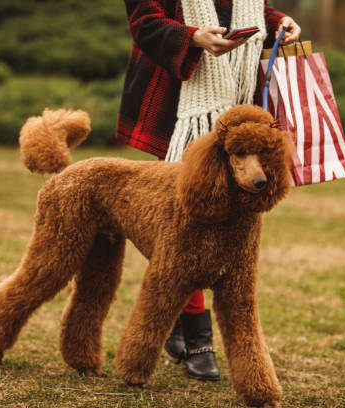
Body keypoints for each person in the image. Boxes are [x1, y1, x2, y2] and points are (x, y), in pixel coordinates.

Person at [117, 0, 300, 381]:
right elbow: (145, 22)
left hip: (237, 101)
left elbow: (243, 10)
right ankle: (198, 336)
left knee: (231, 226)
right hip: (179, 102)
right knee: (186, 226)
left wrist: (279, 21)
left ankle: (185, 327)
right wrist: (193, 38)